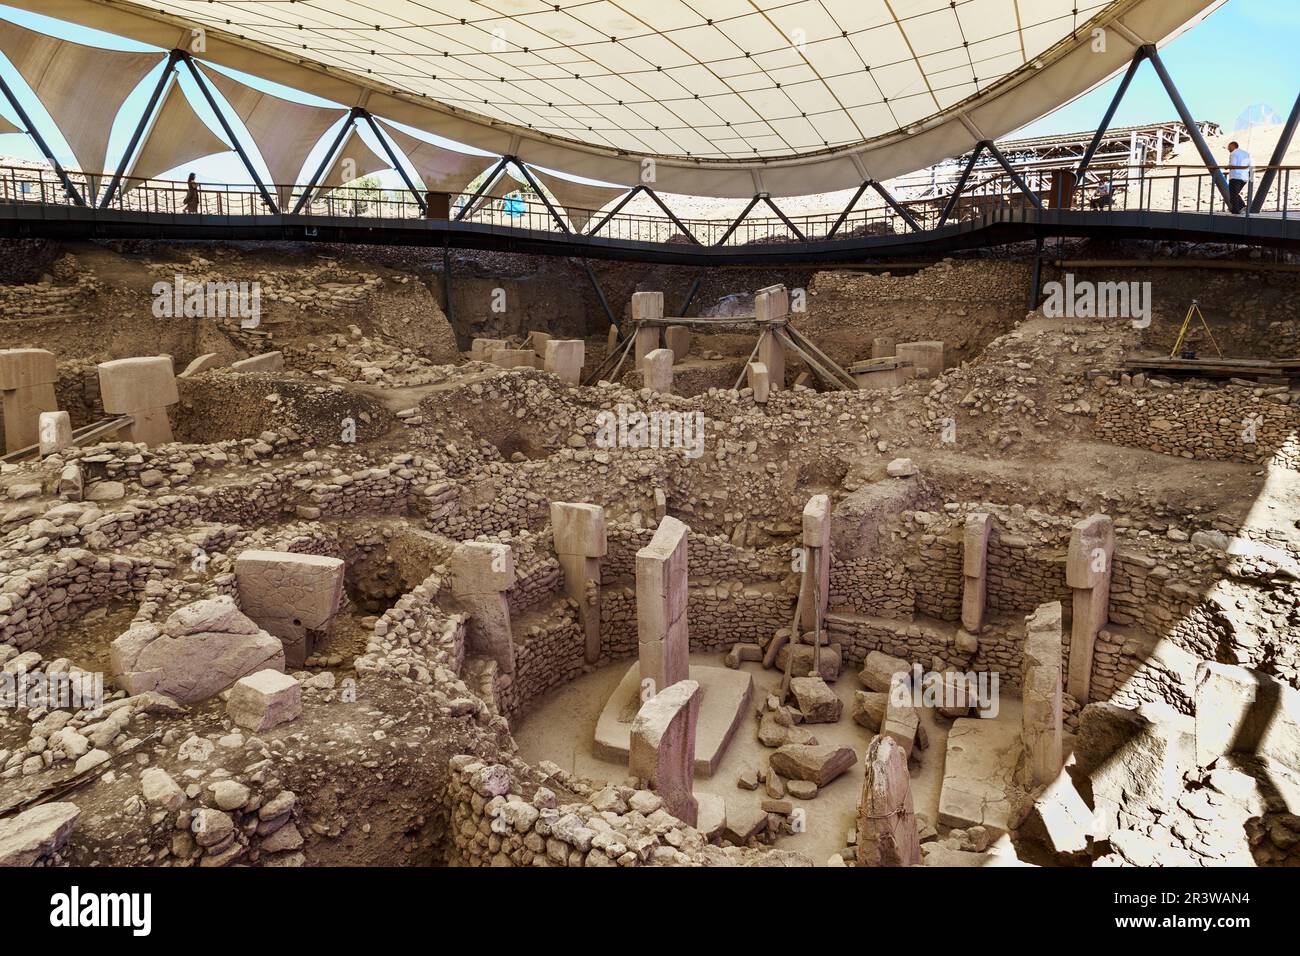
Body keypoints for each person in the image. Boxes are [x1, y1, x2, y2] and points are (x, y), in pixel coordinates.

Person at [1226, 141, 1252, 214]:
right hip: (1244, 177)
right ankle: (1242, 207)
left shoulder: (1233, 153)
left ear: (1233, 146)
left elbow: (1233, 165)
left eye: (1229, 146)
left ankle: (1236, 210)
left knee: (1233, 195)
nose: (1228, 148)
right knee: (1235, 193)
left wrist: (1227, 167)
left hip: (1235, 176)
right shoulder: (1246, 153)